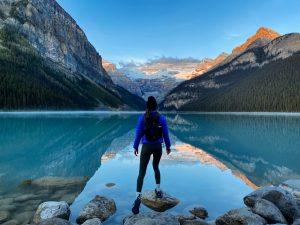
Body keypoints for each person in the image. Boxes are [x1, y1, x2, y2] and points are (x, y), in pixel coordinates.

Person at [131, 96, 171, 214]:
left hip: (146, 147)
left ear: (147, 106)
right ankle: (158, 191)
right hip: (158, 147)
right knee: (156, 167)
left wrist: (135, 146)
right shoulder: (162, 118)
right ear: (156, 106)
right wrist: (168, 147)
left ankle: (138, 197)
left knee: (141, 173)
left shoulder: (142, 118)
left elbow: (138, 133)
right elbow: (166, 134)